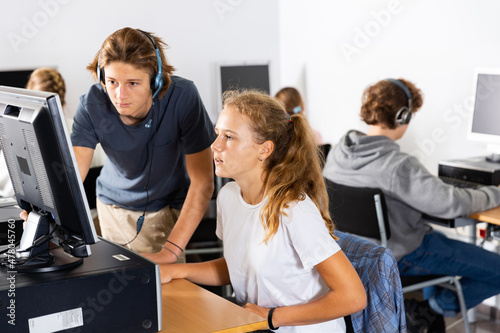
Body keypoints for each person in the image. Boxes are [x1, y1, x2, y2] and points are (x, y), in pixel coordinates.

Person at [159, 90, 366, 332]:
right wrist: (175, 270)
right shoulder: (228, 197)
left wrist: (271, 317)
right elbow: (238, 266)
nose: (215, 146)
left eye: (229, 137)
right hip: (255, 326)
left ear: (264, 150)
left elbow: (353, 296)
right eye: (217, 135)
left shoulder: (293, 209)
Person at [323, 78, 500, 332]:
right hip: (400, 256)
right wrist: (494, 194)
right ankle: (431, 310)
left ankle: (423, 311)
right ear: (403, 116)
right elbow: (449, 203)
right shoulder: (398, 165)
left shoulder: (339, 151)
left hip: (354, 253)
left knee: (437, 240)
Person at [70, 27, 215, 259]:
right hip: (112, 208)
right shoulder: (92, 104)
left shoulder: (183, 98)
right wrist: (48, 211)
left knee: (168, 292)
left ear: (156, 80)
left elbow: (203, 181)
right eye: (112, 82)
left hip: (166, 210)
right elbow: (73, 171)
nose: (120, 95)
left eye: (133, 83)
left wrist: (170, 252)